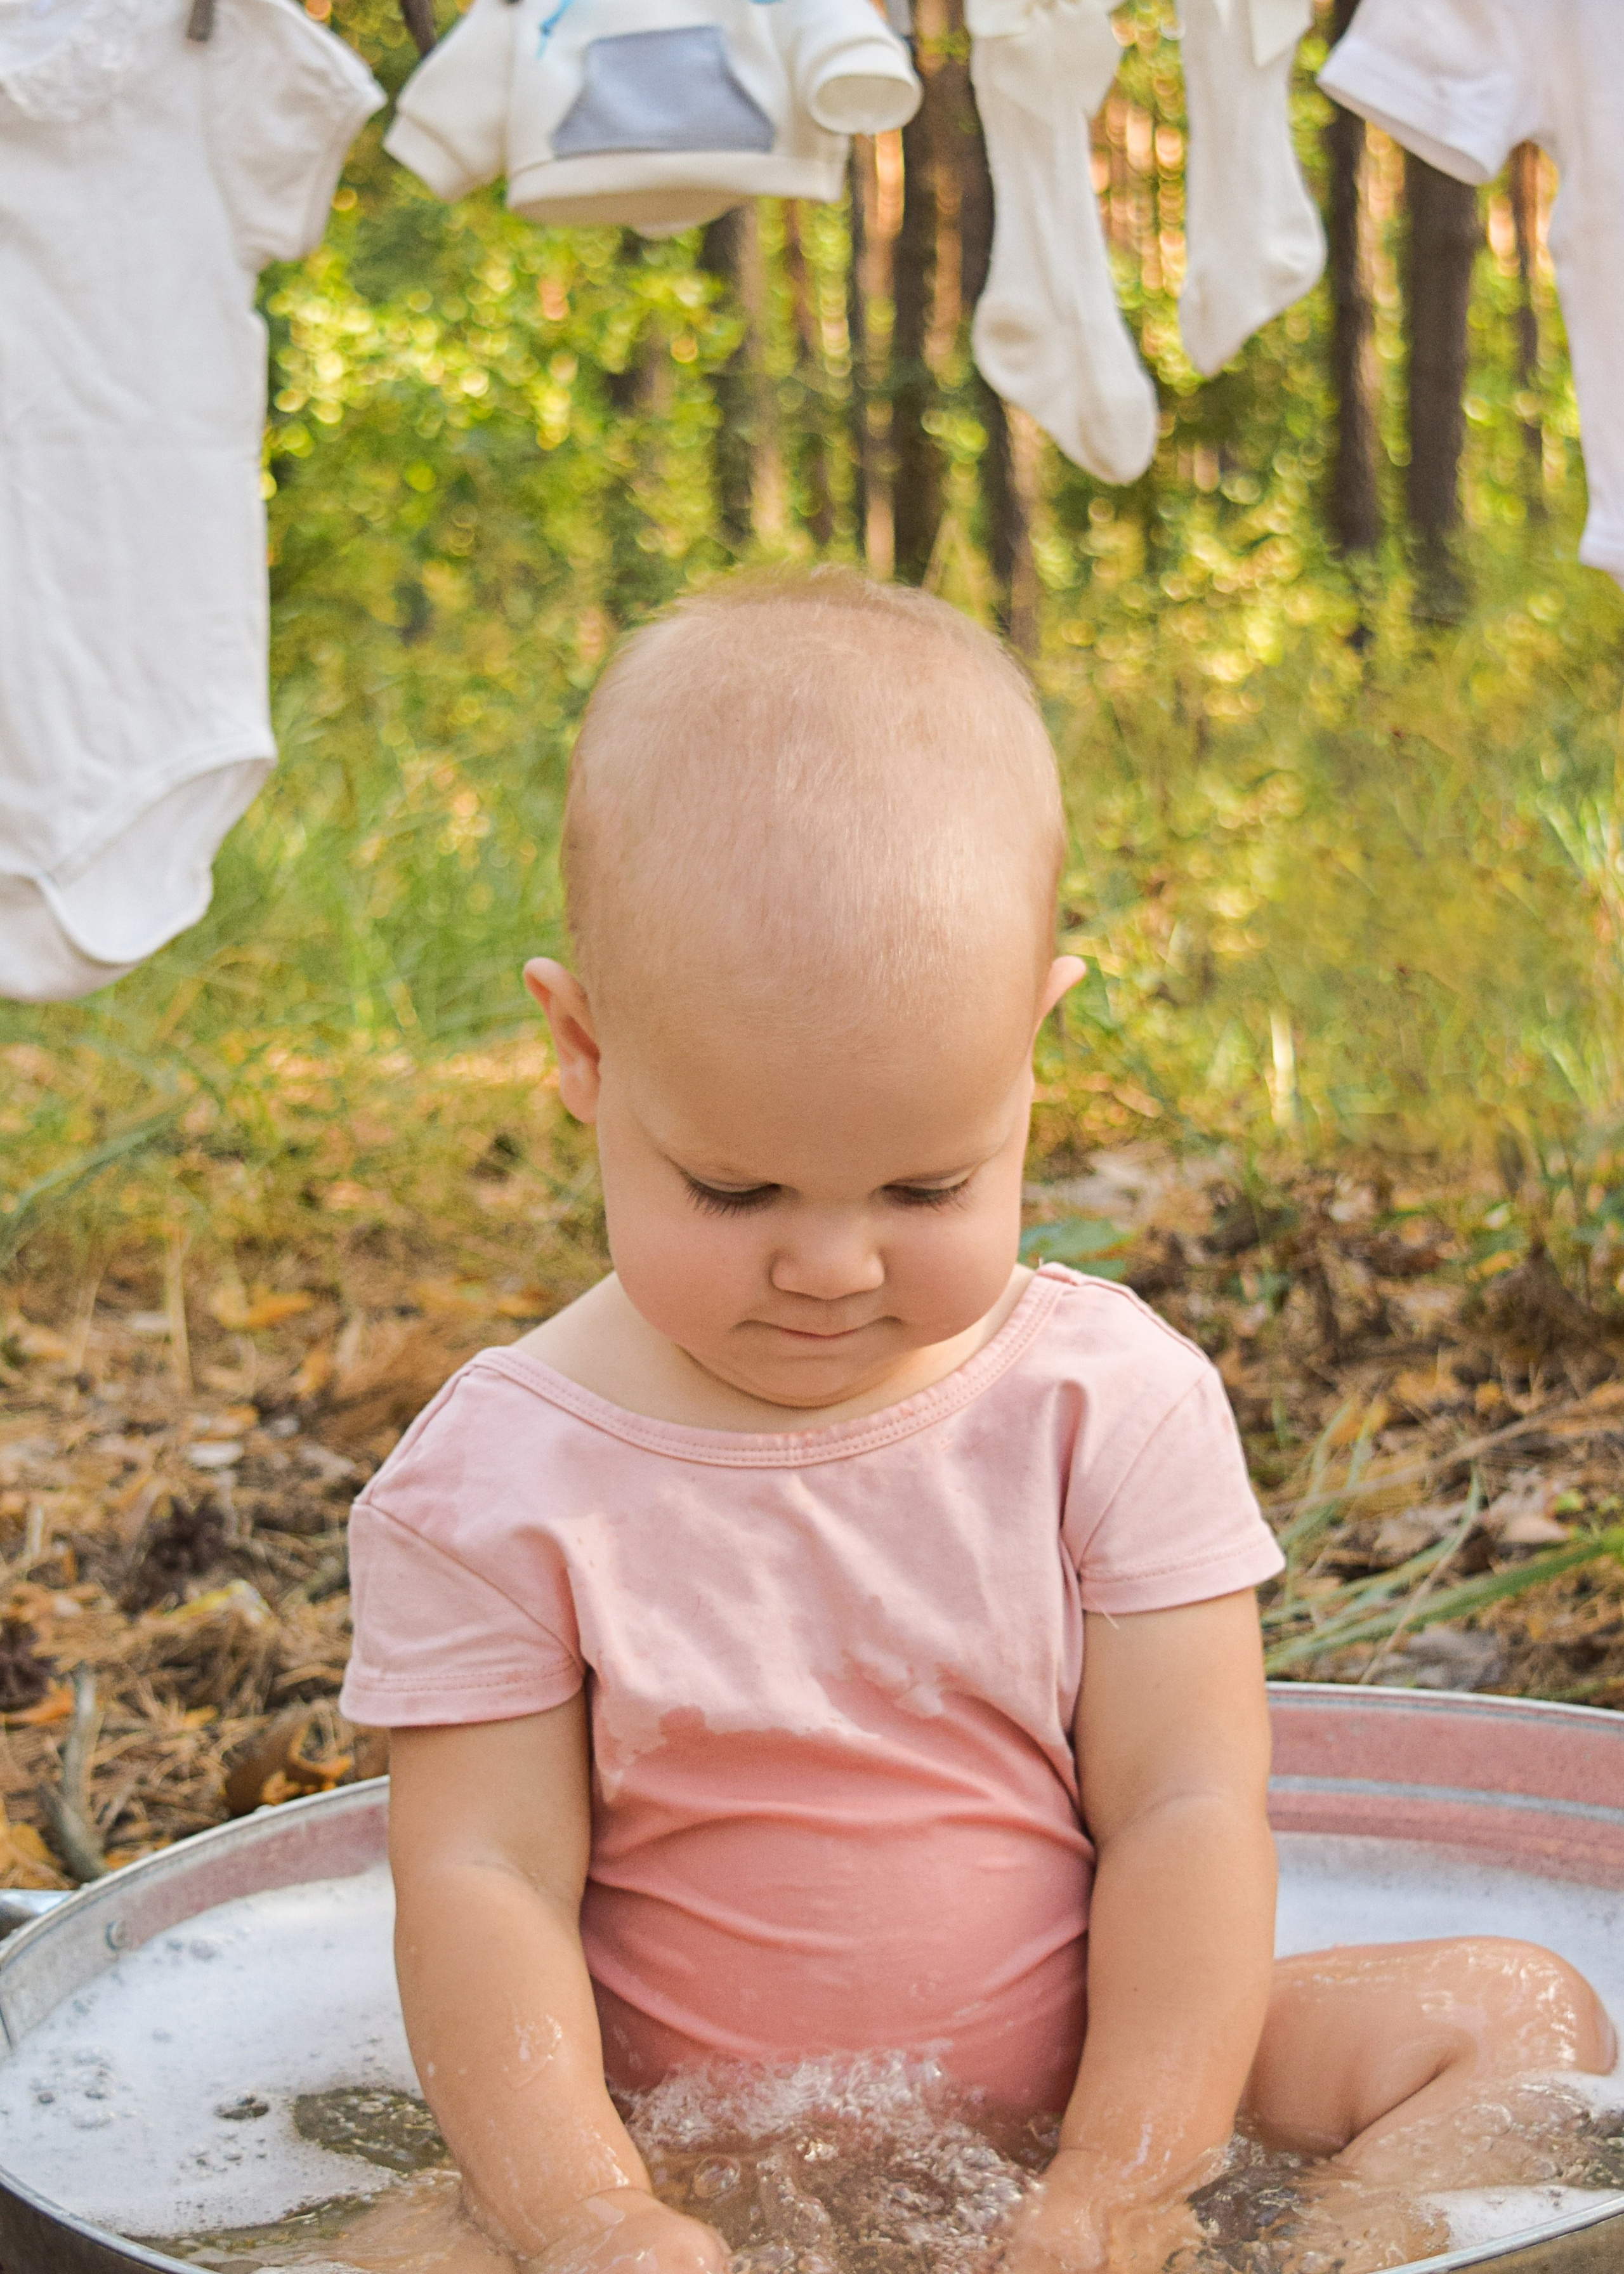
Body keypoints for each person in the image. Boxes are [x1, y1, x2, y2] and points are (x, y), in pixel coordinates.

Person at [338, 570, 1614, 2274]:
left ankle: (1310, 2262)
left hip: (1096, 2090)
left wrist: (1129, 2175)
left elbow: (1183, 1810)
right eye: (733, 1185)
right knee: (403, 2253)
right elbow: (482, 1882)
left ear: (1034, 1047)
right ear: (580, 1050)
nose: (830, 1263)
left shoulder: (1108, 1409)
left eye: (928, 1182)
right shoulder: (495, 1486)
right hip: (672, 2153)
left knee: (1517, 2018)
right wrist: (586, 2214)